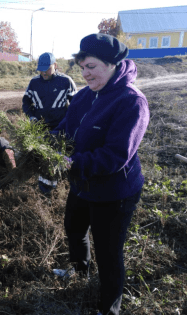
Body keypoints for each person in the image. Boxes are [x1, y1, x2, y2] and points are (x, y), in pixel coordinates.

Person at [51, 34, 150, 315]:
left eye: (91, 67)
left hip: (115, 190)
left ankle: (109, 309)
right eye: (82, 67)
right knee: (74, 227)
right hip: (82, 183)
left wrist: (70, 162)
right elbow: (65, 130)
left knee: (109, 253)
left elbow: (115, 156)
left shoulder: (132, 102)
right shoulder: (84, 95)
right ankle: (80, 270)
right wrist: (43, 146)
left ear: (113, 64)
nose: (85, 74)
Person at [22, 52, 77, 196]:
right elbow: (26, 102)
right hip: (41, 128)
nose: (43, 72)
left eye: (47, 69)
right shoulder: (34, 83)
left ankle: (54, 188)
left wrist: (70, 123)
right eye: (41, 69)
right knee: (42, 158)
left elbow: (76, 105)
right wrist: (32, 117)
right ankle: (44, 190)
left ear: (55, 66)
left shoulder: (66, 82)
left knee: (56, 159)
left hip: (60, 128)